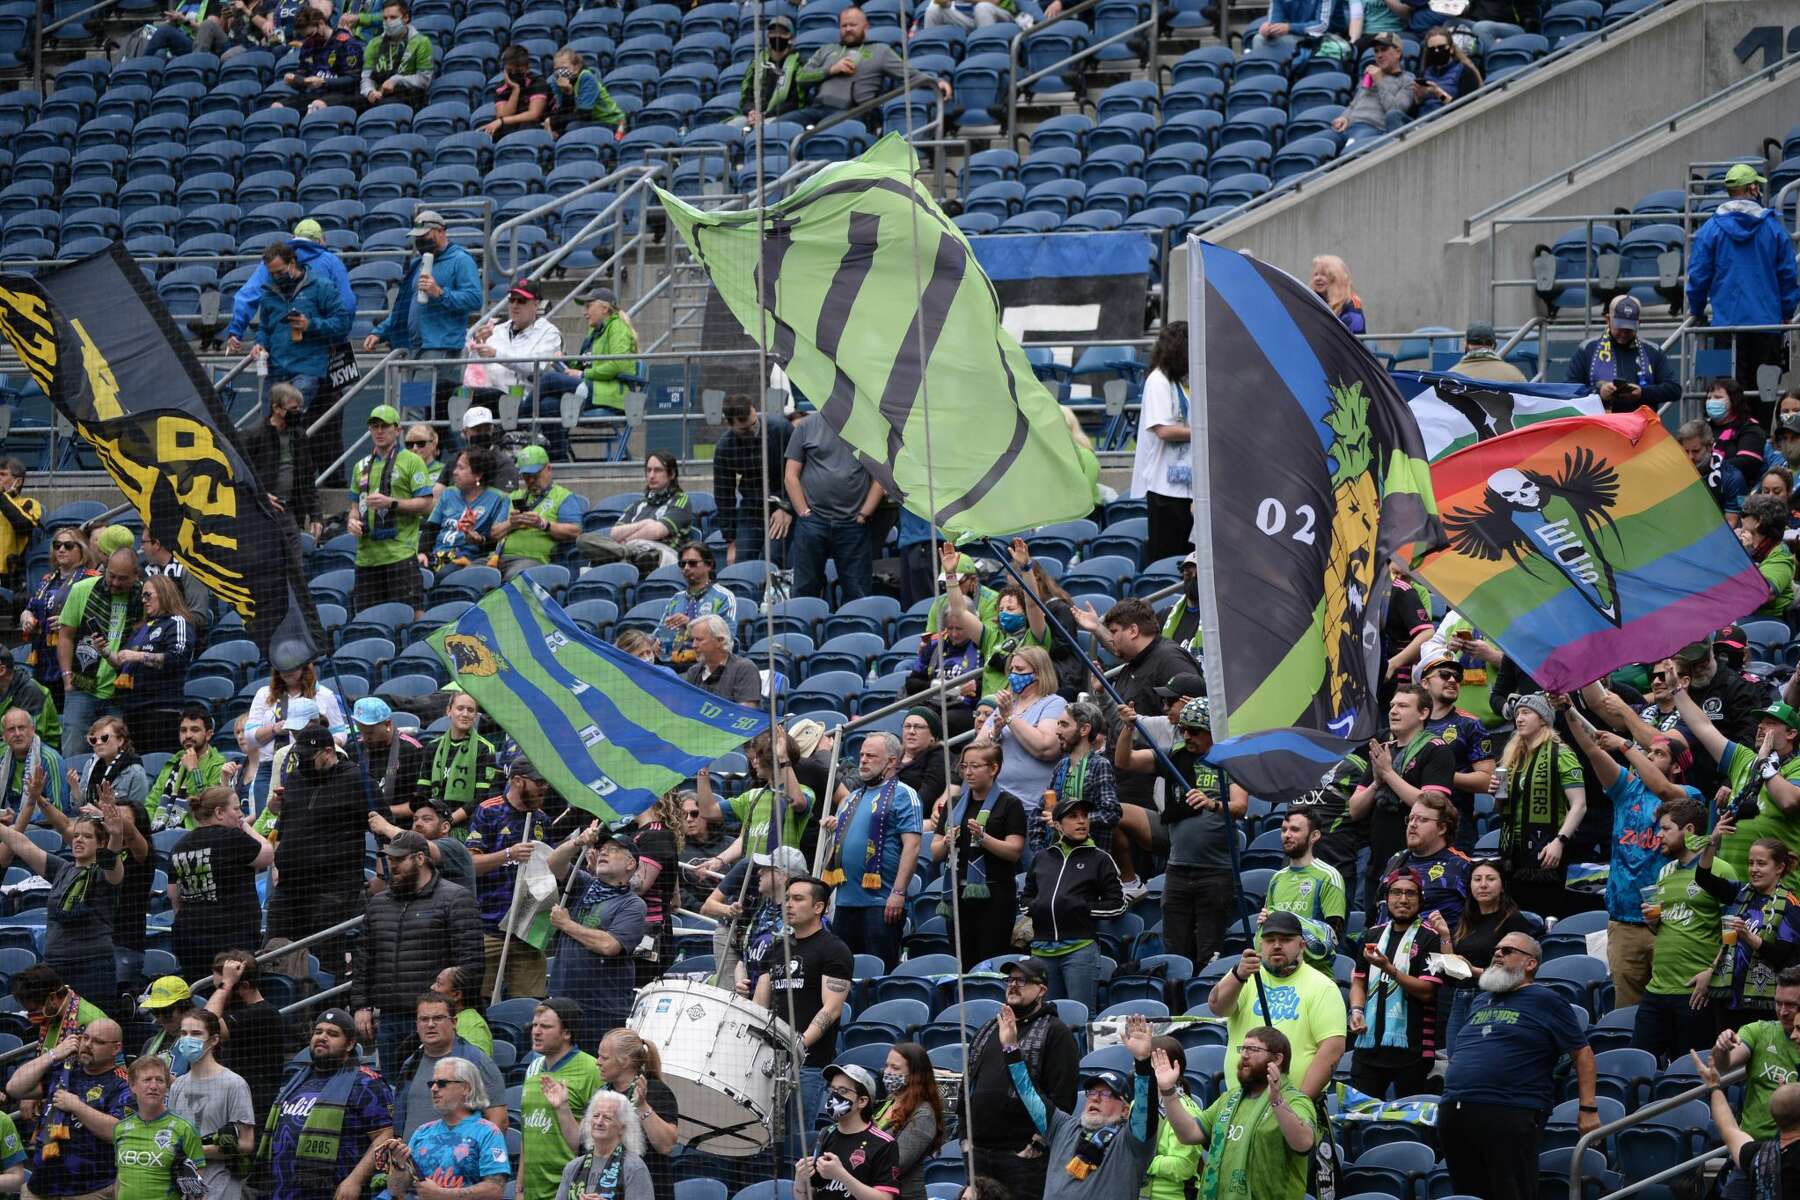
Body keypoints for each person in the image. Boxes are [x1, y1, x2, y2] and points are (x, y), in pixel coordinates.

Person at [1438, 933, 1599, 1200]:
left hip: (1511, 1109)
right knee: (1467, 1195)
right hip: (1456, 1110)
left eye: (1508, 950)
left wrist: (1588, 1108)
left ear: (1530, 964)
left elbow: (1582, 1053)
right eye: (1496, 949)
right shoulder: (1480, 999)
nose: (1497, 954)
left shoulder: (1546, 999)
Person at [353, 829, 484, 1074]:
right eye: (390, 861)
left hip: (435, 1018)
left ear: (420, 858)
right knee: (393, 1091)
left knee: (435, 1090)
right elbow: (364, 959)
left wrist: (445, 1007)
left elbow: (471, 963)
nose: (393, 866)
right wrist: (361, 1006)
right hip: (390, 1019)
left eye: (399, 860)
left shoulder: (455, 898)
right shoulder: (379, 903)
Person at [999, 1011, 1158, 1200]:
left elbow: (1144, 1110)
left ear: (1125, 1110)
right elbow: (1028, 1094)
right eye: (1092, 1092)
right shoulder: (1062, 1127)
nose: (1095, 1099)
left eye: (1106, 1094)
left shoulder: (1132, 1143)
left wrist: (1142, 1063)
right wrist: (1010, 1048)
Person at [1154, 1026, 1315, 1200]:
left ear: (1276, 1059)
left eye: (1253, 1049)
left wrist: (1276, 1101)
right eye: (1243, 1048)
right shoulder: (1230, 1098)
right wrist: (1168, 1091)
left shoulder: (1295, 1100)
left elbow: (1304, 1143)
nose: (1244, 1055)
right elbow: (1189, 1134)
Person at [966, 958, 1079, 1200]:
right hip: (979, 1154)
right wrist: (966, 1140)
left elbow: (1063, 1100)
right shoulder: (988, 1029)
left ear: (1042, 990)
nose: (1013, 985)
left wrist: (1037, 1146)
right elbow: (969, 1086)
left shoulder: (1057, 1032)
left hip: (1022, 1158)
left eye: (1023, 980)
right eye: (1010, 980)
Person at [265, 718, 368, 981]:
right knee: (274, 952)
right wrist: (278, 862)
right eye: (301, 756)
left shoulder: (355, 777)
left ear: (329, 752)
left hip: (333, 887)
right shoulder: (296, 779)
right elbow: (284, 824)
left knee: (324, 958)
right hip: (290, 885)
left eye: (311, 756)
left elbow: (379, 820)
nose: (305, 762)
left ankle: (326, 1014)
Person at [1632, 795, 1734, 1060]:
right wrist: (1653, 923)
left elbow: (1733, 932)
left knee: (1688, 1075)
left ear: (1689, 831)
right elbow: (1665, 927)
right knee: (1640, 1064)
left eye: (1666, 829)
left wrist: (1711, 972)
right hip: (1657, 989)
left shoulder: (1720, 870)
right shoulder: (1664, 871)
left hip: (1694, 992)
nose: (1658, 835)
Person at [1205, 911, 1347, 1101]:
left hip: (1291, 1103)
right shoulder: (1244, 977)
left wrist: (1300, 1104)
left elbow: (1332, 1050)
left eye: (1286, 940)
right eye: (1270, 940)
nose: (1277, 945)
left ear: (1302, 945)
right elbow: (1216, 1007)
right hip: (1240, 1103)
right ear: (1261, 945)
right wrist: (1237, 976)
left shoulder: (1323, 986)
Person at [1688, 163, 1800, 396]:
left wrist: (1697, 310)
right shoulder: (1773, 229)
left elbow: (1698, 275)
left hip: (1725, 329)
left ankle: (1728, 433)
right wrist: (1787, 311)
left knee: (1725, 394)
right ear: (1752, 189)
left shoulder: (1710, 229)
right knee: (1765, 393)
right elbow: (1788, 275)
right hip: (1767, 327)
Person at [364, 210, 484, 425]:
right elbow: (404, 307)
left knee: (414, 407)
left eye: (424, 236)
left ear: (440, 232)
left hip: (440, 347)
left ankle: (412, 455)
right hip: (416, 347)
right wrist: (380, 331)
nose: (420, 242)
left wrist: (440, 292)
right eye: (417, 238)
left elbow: (475, 299)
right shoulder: (419, 264)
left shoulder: (460, 260)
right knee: (423, 408)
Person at [754, 877, 855, 1131]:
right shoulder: (777, 948)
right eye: (787, 898)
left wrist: (797, 1046)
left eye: (798, 899)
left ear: (818, 907)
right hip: (769, 1063)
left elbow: (831, 1009)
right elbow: (758, 1006)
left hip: (809, 1065)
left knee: (798, 1140)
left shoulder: (834, 949)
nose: (788, 904)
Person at [263, 1009, 395, 1200]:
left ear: (350, 1044)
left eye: (332, 1034)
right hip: (284, 1190)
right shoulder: (297, 1080)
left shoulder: (366, 1083)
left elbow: (385, 1135)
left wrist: (355, 1180)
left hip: (335, 1190)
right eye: (318, 1032)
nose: (322, 1037)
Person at [1673, 686, 1800, 883]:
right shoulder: (1743, 758)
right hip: (1732, 885)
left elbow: (1789, 801)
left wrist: (1764, 763)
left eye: (1770, 723)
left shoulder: (1797, 765)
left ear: (1791, 734)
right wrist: (1676, 689)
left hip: (1780, 891)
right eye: (1760, 723)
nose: (1760, 727)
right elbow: (1703, 727)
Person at [1351, 686, 1458, 919]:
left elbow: (1434, 804)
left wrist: (1389, 774)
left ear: (1423, 713)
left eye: (1402, 706)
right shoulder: (1383, 750)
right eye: (1391, 706)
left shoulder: (1436, 749)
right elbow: (1354, 809)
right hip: (1379, 861)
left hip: (1419, 864)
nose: (1393, 711)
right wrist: (1377, 782)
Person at [0, 808, 124, 1006]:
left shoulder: (104, 873)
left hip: (93, 966)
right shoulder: (62, 869)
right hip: (55, 966)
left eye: (87, 836)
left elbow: (112, 861)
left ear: (101, 843)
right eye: (75, 835)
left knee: (91, 1029)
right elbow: (20, 843)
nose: (78, 840)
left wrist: (116, 835)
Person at [822, 732, 922, 969]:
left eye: (871, 756)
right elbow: (837, 849)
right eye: (862, 755)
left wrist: (898, 893)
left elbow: (913, 846)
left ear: (891, 762)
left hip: (881, 902)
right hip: (845, 903)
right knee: (842, 973)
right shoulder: (851, 798)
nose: (863, 760)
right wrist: (822, 893)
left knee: (877, 972)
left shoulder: (904, 794)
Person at [3, 1019, 131, 1198]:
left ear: (116, 1049)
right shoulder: (64, 1069)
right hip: (39, 1187)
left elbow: (117, 1131)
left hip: (89, 1190)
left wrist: (77, 1106)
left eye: (97, 1041)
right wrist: (53, 1054)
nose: (87, 1045)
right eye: (85, 1038)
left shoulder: (123, 1084)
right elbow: (14, 1088)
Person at [1020, 796, 1124, 1014]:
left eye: (1084, 816)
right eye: (1073, 816)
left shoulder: (1100, 859)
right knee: (1046, 1018)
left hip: (1079, 950)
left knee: (1081, 1016)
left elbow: (1118, 904)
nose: (1081, 821)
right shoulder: (1042, 858)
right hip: (1041, 951)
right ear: (1057, 825)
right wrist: (1039, 906)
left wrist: (1080, 907)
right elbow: (1025, 900)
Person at [545, 825, 648, 1041]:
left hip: (601, 1010)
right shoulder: (583, 884)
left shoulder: (633, 904)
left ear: (630, 864)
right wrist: (578, 842)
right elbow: (553, 863)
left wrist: (566, 924)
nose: (603, 852)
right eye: (602, 849)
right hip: (562, 1000)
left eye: (613, 849)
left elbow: (609, 945)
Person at [1698, 814, 1800, 1032]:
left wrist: (1748, 937)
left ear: (1779, 867)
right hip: (1728, 997)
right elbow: (1703, 878)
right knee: (1727, 1061)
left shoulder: (1791, 905)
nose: (1754, 869)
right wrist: (1712, 840)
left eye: (1761, 864)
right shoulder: (1741, 892)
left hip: (1763, 1003)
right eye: (1751, 863)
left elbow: (1783, 958)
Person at [1348, 867, 1443, 1097]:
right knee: (1359, 1119)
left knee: (1411, 1126)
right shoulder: (1371, 936)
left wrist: (1388, 969)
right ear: (1386, 898)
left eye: (1410, 893)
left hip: (1413, 1052)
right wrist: (1356, 1010)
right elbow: (1359, 980)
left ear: (1420, 900)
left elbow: (1427, 992)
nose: (1403, 899)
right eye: (1396, 892)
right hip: (1368, 1047)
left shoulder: (1432, 939)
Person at [1492, 693, 1587, 917]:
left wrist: (1560, 841)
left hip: (1547, 851)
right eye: (1517, 714)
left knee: (1544, 914)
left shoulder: (1561, 754)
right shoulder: (1513, 758)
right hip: (1512, 854)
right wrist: (1496, 795)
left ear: (1543, 718)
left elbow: (1579, 804)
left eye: (1526, 712)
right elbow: (1500, 809)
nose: (1519, 718)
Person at [467, 760, 554, 999]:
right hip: (489, 926)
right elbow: (471, 865)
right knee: (477, 1000)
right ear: (517, 780)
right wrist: (508, 854)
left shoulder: (542, 820)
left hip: (528, 929)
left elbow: (551, 868)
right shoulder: (489, 810)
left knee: (530, 1005)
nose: (544, 787)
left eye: (546, 782)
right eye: (538, 782)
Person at [1428, 859, 1533, 1055]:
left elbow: (1519, 972)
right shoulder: (1465, 920)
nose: (1483, 884)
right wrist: (1444, 935)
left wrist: (1474, 971)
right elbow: (1453, 973)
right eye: (1477, 879)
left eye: (1490, 879)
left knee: (1486, 1057)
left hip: (1496, 1000)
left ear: (1502, 885)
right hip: (1461, 999)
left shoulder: (1513, 920)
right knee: (1456, 1059)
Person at [168, 787, 272, 984]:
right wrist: (245, 827)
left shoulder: (179, 845)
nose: (240, 814)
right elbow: (267, 854)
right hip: (231, 939)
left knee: (201, 997)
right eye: (236, 809)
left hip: (189, 938)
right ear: (219, 812)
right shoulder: (232, 837)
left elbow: (174, 896)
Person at [784, 409, 882, 601]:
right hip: (813, 522)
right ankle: (806, 630)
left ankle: (859, 629)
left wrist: (864, 514)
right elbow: (790, 476)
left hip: (853, 524)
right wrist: (803, 512)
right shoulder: (805, 426)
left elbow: (880, 478)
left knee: (858, 590)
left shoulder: (867, 429)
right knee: (805, 588)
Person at [382, 1055, 510, 1200]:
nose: (434, 1089)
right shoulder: (422, 1132)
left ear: (466, 1088)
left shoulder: (488, 1132)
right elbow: (395, 1191)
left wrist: (442, 1195)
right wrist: (399, 1165)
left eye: (442, 1083)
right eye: (432, 1084)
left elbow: (495, 1189)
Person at [794, 6, 951, 123]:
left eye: (853, 25)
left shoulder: (880, 51)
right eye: (844, 26)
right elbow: (800, 78)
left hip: (852, 112)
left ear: (866, 27)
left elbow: (909, 74)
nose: (848, 29)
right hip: (815, 109)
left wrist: (936, 81)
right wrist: (830, 69)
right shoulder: (827, 50)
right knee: (779, 126)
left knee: (825, 127)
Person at [692, 729, 814, 876]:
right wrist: (702, 769)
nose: (754, 761)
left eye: (758, 756)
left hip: (784, 880)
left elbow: (797, 802)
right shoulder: (752, 796)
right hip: (751, 880)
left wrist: (783, 759)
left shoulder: (804, 791)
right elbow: (708, 811)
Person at [536, 288, 638, 463]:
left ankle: (518, 419)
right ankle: (559, 458)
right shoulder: (593, 333)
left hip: (610, 394)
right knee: (548, 404)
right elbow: (582, 365)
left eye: (589, 306)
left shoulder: (618, 328)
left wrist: (583, 374)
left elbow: (618, 364)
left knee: (549, 380)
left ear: (604, 309)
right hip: (590, 388)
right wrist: (565, 363)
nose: (585, 312)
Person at [975, 647, 1068, 840]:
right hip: (996, 805)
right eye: (1011, 670)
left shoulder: (1053, 703)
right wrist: (995, 733)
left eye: (1019, 670)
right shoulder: (1008, 705)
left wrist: (1010, 717)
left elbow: (1046, 746)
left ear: (1039, 674)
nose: (1013, 676)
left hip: (1031, 809)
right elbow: (976, 750)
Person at [57, 547, 141, 756]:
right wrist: (67, 676)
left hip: (119, 691)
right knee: (74, 753)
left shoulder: (142, 597)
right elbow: (65, 636)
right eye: (111, 575)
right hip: (82, 687)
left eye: (122, 579)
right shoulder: (82, 589)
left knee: (115, 758)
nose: (114, 583)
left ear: (135, 576)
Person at [389, 992, 507, 1138]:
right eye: (424, 1019)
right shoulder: (410, 1064)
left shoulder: (478, 1063)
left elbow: (499, 1121)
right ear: (417, 1025)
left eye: (438, 1018)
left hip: (462, 1159)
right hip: (410, 1159)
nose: (430, 1024)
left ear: (454, 1022)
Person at [255, 240, 352, 417]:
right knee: (268, 424)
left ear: (292, 263)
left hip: (308, 368)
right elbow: (264, 328)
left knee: (289, 419)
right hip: (276, 369)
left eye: (280, 272)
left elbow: (342, 322)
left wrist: (311, 325)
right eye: (272, 273)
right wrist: (260, 344)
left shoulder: (322, 287)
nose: (276, 277)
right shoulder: (268, 293)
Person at [168, 1008, 256, 1200]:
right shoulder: (178, 1085)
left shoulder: (234, 1084)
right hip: (183, 1188)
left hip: (221, 1188)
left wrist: (194, 1151)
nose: (187, 1039)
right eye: (184, 1034)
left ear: (214, 1040)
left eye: (196, 1034)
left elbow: (247, 1143)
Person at [519, 998, 600, 1200]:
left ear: (567, 1033)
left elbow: (600, 1138)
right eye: (535, 1025)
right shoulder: (533, 1068)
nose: (536, 1031)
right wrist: (520, 1188)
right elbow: (526, 1132)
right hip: (531, 1191)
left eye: (545, 1026)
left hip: (570, 1190)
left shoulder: (592, 1070)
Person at [108, 574, 196, 756]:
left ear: (164, 593)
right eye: (142, 596)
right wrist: (104, 651)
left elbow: (178, 657)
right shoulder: (141, 629)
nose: (143, 600)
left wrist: (139, 656)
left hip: (162, 711)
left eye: (148, 595)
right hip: (133, 711)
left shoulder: (176, 622)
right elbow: (122, 662)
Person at [1129, 321, 1192, 566]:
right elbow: (1163, 430)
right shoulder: (1158, 381)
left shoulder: (1180, 383)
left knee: (1187, 561)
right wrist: (1202, 432)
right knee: (1167, 559)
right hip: (1164, 489)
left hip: (1186, 486)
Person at [589, 1029, 679, 1200]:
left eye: (604, 1057)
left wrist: (642, 1106)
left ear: (625, 1061)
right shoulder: (602, 1094)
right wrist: (562, 1107)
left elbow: (666, 1145)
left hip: (650, 1190)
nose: (597, 1062)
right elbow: (582, 1144)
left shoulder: (656, 1091)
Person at [1419, 654, 1496, 849]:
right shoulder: (1411, 721)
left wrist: (1439, 774)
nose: (1453, 680)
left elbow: (1488, 781)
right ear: (1425, 682)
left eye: (1457, 677)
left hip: (1454, 828)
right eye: (1444, 675)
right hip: (1411, 822)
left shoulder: (1470, 724)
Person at [795, 1061, 902, 1200]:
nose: (834, 1096)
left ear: (862, 1101)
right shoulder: (825, 1134)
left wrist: (841, 1175)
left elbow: (885, 1198)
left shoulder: (884, 1143)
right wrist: (799, 1180)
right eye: (833, 1090)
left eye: (843, 1091)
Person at [203, 951, 289, 1122]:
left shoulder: (263, 1014)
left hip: (251, 1114)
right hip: (228, 1107)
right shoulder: (236, 1012)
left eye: (222, 987)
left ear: (244, 987)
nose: (219, 994)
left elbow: (204, 1025)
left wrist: (226, 982)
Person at [579, 453, 695, 574]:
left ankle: (621, 556)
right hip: (632, 552)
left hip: (663, 555)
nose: (651, 475)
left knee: (642, 553)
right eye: (649, 470)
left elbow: (656, 532)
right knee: (583, 539)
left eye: (658, 470)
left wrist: (627, 541)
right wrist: (645, 523)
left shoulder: (681, 500)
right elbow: (615, 533)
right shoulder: (638, 504)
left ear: (672, 474)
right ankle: (624, 557)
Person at [111, 1055, 207, 1200]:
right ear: (132, 1086)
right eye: (147, 1080)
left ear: (166, 1086)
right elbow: (121, 1177)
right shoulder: (120, 1128)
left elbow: (198, 1191)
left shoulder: (185, 1129)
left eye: (160, 1080)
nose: (154, 1086)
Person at [1566, 294, 1681, 411]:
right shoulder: (1587, 349)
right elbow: (1570, 389)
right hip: (1599, 426)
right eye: (1620, 328)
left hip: (1638, 426)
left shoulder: (1653, 351)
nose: (1624, 334)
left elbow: (1674, 389)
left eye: (1629, 329)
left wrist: (1642, 392)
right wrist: (1598, 393)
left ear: (1639, 323)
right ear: (1608, 319)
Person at [1263, 809, 1348, 964]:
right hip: (1279, 971)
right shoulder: (1277, 878)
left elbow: (1332, 937)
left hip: (1315, 972)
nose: (1287, 835)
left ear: (1314, 836)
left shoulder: (1328, 876)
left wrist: (1284, 919)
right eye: (1284, 830)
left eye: (1294, 830)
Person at [22, 524, 94, 707]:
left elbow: (98, 617)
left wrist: (69, 622)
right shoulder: (47, 580)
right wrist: (26, 617)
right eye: (57, 545)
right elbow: (30, 607)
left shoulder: (91, 579)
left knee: (74, 711)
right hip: (45, 660)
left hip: (77, 661)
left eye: (68, 545)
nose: (61, 549)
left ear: (82, 550)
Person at [493, 446, 584, 580]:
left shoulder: (563, 497)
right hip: (498, 559)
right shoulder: (513, 497)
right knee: (474, 574)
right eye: (526, 476)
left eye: (535, 475)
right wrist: (511, 524)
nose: (530, 481)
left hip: (533, 561)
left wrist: (543, 524)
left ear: (548, 469)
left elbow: (575, 531)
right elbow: (494, 533)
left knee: (516, 576)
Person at [417, 692, 499, 835]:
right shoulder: (432, 747)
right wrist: (430, 822)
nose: (465, 714)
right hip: (434, 824)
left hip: (468, 826)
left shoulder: (485, 749)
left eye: (470, 710)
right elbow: (422, 792)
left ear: (476, 716)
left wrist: (447, 822)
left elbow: (481, 798)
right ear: (449, 711)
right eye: (460, 708)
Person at [468, 278, 563, 399]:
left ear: (536, 304)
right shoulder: (496, 330)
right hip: (489, 392)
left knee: (480, 396)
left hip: (523, 399)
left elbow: (536, 367)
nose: (514, 305)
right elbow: (475, 370)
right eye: (511, 300)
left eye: (521, 301)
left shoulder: (549, 333)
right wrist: (477, 346)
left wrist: (495, 354)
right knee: (445, 387)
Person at [420, 447, 510, 572]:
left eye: (461, 468)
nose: (455, 472)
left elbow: (497, 538)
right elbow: (431, 528)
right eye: (456, 467)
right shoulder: (448, 493)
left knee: (444, 575)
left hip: (467, 560)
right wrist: (422, 552)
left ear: (478, 475)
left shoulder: (499, 498)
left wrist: (480, 540)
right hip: (436, 556)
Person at [872, 1043, 944, 1200]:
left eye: (895, 1068)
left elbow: (898, 1163)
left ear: (914, 1075)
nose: (887, 1072)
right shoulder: (888, 1102)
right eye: (887, 1066)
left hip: (903, 1194)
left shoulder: (923, 1114)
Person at [553, 1091, 651, 1200]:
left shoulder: (634, 1168)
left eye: (607, 1118)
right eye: (595, 1116)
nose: (599, 1122)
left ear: (622, 1128)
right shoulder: (573, 1167)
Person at [146, 705, 228, 831]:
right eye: (183, 730)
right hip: (159, 831)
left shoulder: (218, 765)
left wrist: (194, 770)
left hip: (195, 834)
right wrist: (152, 830)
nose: (188, 735)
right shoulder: (172, 763)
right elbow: (151, 803)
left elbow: (208, 807)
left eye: (195, 730)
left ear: (208, 734)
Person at [659, 543, 737, 667]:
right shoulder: (676, 599)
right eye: (682, 564)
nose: (686, 568)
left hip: (705, 665)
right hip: (670, 664)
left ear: (709, 565)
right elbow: (658, 634)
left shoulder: (723, 597)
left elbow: (727, 639)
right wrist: (655, 643)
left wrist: (690, 624)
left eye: (692, 563)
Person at [1331, 33, 1415, 144]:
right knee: (1318, 144)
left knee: (1349, 154)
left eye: (1384, 49)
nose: (1379, 55)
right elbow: (1354, 103)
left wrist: (1379, 81)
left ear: (1398, 52)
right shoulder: (1370, 75)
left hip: (1371, 128)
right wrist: (1345, 117)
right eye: (1376, 51)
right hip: (1347, 126)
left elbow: (1395, 112)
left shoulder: (1407, 79)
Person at [276, 4, 362, 109]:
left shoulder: (346, 43)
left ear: (321, 24)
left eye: (310, 34)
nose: (307, 39)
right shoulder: (308, 46)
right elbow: (303, 73)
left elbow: (353, 79)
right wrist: (294, 79)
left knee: (317, 105)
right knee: (278, 106)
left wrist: (324, 82)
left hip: (342, 94)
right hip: (315, 94)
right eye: (304, 36)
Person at [11, 963, 106, 1054]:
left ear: (53, 998)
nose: (30, 1016)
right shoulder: (52, 1014)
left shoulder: (94, 1022)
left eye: (33, 1010)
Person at [359, 0, 432, 109]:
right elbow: (366, 78)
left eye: (393, 18)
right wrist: (370, 91)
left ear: (405, 18)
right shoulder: (374, 44)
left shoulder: (421, 42)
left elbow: (424, 79)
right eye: (385, 18)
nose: (388, 22)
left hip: (407, 95)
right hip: (378, 95)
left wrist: (397, 80)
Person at [139, 530, 212, 636]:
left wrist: (166, 627)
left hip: (183, 637)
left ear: (157, 544)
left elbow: (198, 616)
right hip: (148, 637)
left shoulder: (190, 568)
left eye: (144, 542)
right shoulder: (142, 570)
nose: (141, 547)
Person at [0, 702, 68, 817]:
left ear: (32, 730)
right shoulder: (2, 761)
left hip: (43, 826)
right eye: (11, 729)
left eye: (21, 728)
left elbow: (60, 809)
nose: (17, 734)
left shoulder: (50, 759)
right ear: (4, 736)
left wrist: (17, 819)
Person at [682, 613, 762, 707]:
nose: (694, 645)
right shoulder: (694, 672)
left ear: (720, 641)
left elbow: (747, 714)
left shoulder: (744, 669)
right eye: (693, 640)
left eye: (699, 640)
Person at [739, 16, 807, 125]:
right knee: (732, 126)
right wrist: (751, 111)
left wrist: (765, 115)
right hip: (753, 116)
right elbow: (746, 96)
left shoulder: (799, 64)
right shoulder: (757, 63)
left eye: (782, 32)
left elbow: (796, 103)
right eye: (772, 32)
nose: (776, 36)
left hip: (781, 118)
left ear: (791, 38)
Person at [545, 46, 626, 135]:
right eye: (557, 69)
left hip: (611, 122)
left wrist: (555, 122)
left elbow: (584, 115)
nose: (560, 72)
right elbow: (564, 112)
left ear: (577, 67)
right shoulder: (557, 81)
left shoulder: (586, 77)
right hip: (589, 122)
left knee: (571, 127)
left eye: (564, 68)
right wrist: (567, 92)